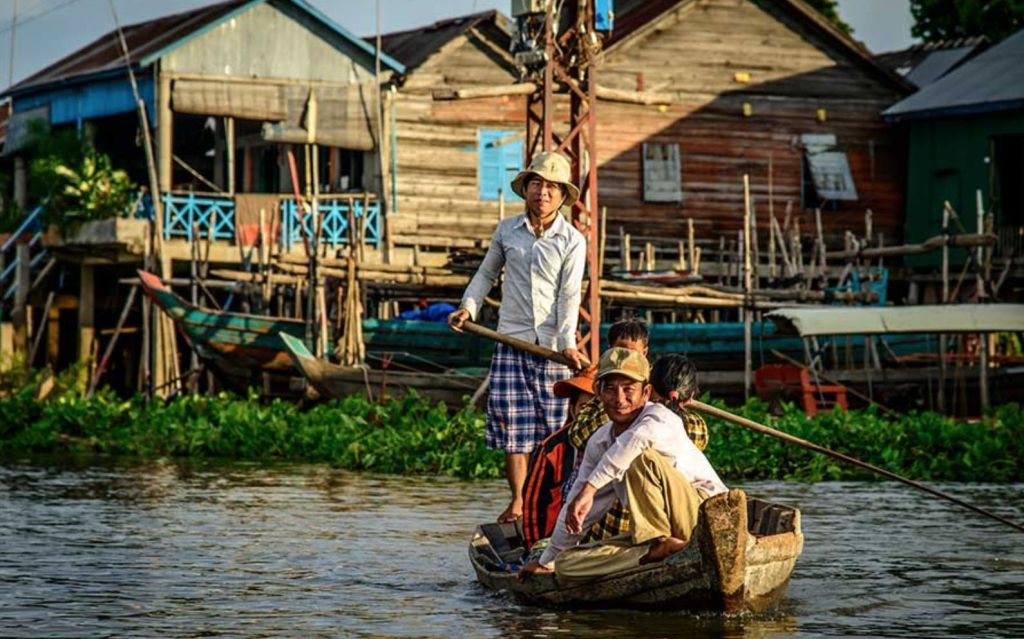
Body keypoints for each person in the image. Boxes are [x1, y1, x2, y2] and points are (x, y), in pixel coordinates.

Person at [448, 151, 587, 523]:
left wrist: (566, 343)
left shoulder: (572, 240)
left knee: (554, 430)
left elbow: (569, 295)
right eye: (537, 183)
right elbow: (485, 275)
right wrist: (468, 308)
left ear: (562, 196)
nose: (543, 192)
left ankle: (552, 503)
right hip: (511, 339)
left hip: (553, 349)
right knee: (514, 427)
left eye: (553, 187)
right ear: (525, 189)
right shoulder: (507, 231)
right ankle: (518, 502)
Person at [518, 347, 727, 581]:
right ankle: (652, 552)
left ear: (646, 392)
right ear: (598, 391)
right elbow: (577, 507)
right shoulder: (600, 441)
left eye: (628, 389)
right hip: (663, 536)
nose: (619, 399)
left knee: (642, 459)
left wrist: (590, 488)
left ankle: (659, 544)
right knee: (566, 563)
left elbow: (634, 442)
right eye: (610, 389)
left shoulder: (660, 418)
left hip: (706, 517)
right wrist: (547, 561)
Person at [521, 365, 596, 550]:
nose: (589, 414)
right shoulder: (552, 448)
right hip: (556, 541)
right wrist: (536, 549)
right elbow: (534, 505)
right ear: (572, 409)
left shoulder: (623, 442)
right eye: (583, 407)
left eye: (596, 408)